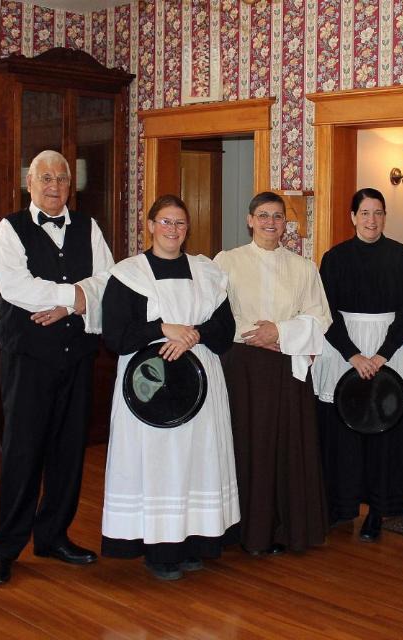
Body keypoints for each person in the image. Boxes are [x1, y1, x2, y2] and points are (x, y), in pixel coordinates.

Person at [0, 150, 113, 585]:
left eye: (62, 178)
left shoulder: (88, 226)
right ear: (30, 184)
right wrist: (71, 298)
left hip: (76, 355)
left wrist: (71, 303)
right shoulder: (9, 229)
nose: (54, 186)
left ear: (70, 185)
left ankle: (53, 535)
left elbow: (107, 280)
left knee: (68, 450)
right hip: (28, 358)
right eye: (46, 178)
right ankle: (5, 546)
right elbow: (14, 286)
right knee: (23, 451)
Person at [100, 195, 239, 581]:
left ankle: (195, 542)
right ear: (149, 225)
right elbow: (115, 336)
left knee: (199, 460)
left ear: (187, 228)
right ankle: (160, 551)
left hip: (200, 381)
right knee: (159, 465)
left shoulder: (208, 272)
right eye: (165, 222)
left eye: (179, 223)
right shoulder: (128, 274)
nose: (172, 230)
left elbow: (225, 330)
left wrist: (190, 335)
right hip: (148, 387)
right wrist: (163, 329)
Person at [214, 191, 332, 555]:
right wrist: (256, 334)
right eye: (263, 215)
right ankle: (241, 530)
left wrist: (278, 333)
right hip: (242, 366)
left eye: (277, 217)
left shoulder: (303, 267)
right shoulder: (226, 261)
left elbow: (319, 317)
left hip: (286, 365)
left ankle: (283, 528)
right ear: (249, 220)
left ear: (286, 224)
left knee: (284, 446)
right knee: (245, 444)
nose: (270, 223)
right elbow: (215, 314)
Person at [311, 188, 403, 542]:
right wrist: (353, 356)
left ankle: (377, 510)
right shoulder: (334, 258)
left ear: (385, 217)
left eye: (379, 213)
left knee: (384, 431)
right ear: (352, 216)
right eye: (365, 213)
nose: (372, 220)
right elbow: (325, 312)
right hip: (345, 349)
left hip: (390, 349)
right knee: (343, 432)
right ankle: (341, 506)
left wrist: (381, 355)